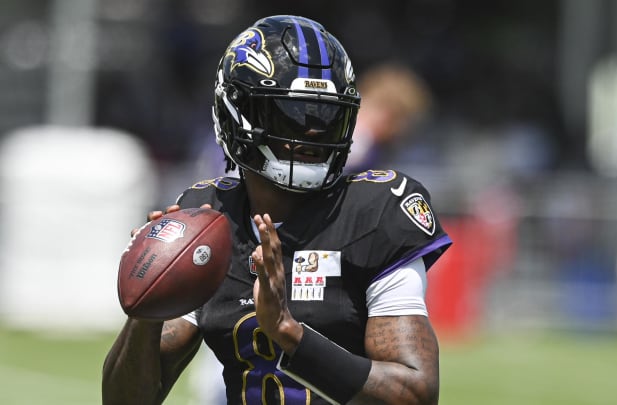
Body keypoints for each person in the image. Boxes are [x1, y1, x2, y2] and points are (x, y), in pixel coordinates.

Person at [102, 15, 452, 405]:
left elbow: (415, 394)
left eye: (326, 114)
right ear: (238, 114)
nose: (313, 132)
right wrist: (145, 309)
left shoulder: (374, 213)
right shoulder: (206, 220)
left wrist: (289, 333)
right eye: (294, 114)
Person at [344, 62, 432, 173]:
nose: (399, 133)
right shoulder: (359, 142)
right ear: (388, 114)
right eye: (401, 121)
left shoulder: (370, 146)